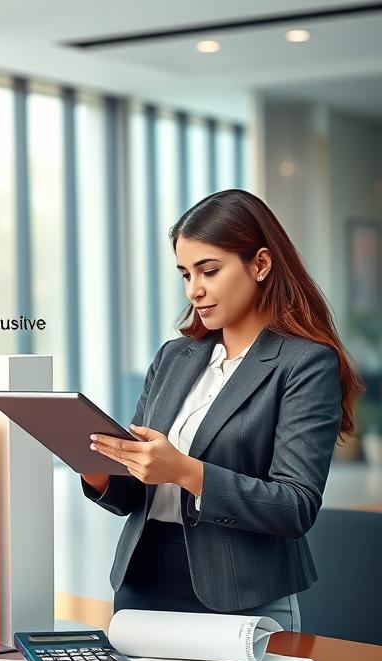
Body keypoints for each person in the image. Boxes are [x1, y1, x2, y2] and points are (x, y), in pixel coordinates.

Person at [80, 189, 363, 630]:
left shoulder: (305, 363)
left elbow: (295, 506)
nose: (195, 290)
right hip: (141, 586)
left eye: (209, 270)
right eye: (185, 274)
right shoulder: (175, 357)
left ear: (261, 265)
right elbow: (134, 494)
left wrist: (184, 471)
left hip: (239, 595)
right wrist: (95, 466)